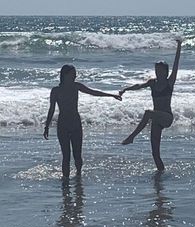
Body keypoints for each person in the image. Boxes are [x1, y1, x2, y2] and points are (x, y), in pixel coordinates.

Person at [43, 65, 122, 178]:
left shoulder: (76, 86)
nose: (75, 75)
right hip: (63, 124)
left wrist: (111, 95)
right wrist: (47, 127)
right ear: (65, 75)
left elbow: (93, 92)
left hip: (75, 123)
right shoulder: (56, 90)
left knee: (77, 155)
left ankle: (78, 177)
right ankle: (66, 181)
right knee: (66, 156)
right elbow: (51, 109)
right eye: (73, 73)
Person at [119, 40, 182, 171]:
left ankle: (131, 137)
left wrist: (179, 46)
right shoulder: (152, 83)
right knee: (155, 154)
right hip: (156, 120)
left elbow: (176, 65)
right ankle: (160, 180)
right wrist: (126, 89)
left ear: (166, 72)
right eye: (156, 70)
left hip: (166, 118)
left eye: (160, 71)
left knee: (148, 113)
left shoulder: (169, 82)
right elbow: (139, 86)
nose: (158, 73)